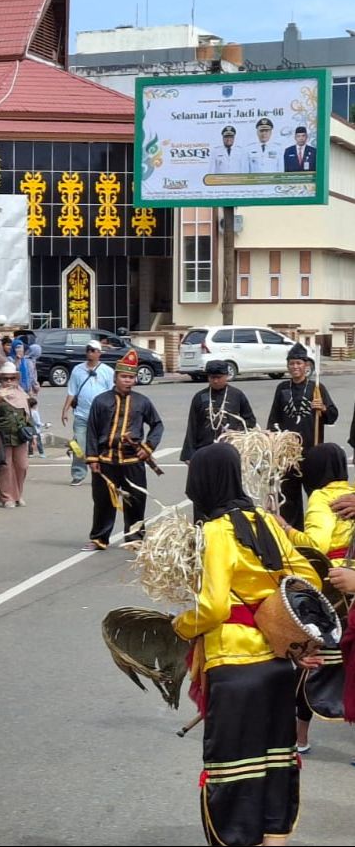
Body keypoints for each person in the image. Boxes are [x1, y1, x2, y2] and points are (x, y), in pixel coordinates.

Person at [172, 442, 320, 847]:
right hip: (276, 663)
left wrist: (181, 626)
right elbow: (310, 578)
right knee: (274, 761)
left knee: (235, 768)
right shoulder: (269, 523)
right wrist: (271, 611)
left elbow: (214, 607)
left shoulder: (215, 531)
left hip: (234, 665)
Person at [282, 442, 354, 747]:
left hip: (331, 587)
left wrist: (286, 529)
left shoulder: (321, 499)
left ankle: (301, 737)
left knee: (311, 660)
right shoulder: (351, 493)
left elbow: (317, 544)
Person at [83, 350, 164, 551]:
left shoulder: (142, 401)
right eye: (124, 377)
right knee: (103, 501)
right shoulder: (101, 401)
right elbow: (92, 430)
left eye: (131, 377)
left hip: (132, 460)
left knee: (135, 500)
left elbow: (157, 425)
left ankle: (135, 538)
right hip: (105, 460)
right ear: (115, 377)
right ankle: (99, 538)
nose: (128, 381)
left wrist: (148, 447)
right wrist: (92, 458)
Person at [268, 344, 337, 528]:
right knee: (288, 497)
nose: (295, 367)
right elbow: (274, 418)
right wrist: (272, 442)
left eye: (298, 363)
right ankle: (293, 534)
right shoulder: (282, 388)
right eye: (291, 363)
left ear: (306, 365)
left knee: (316, 494)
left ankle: (318, 530)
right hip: (288, 453)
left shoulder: (316, 387)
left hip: (312, 450)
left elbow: (332, 415)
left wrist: (322, 408)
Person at [62, 339, 114, 486]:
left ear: (99, 353)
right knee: (79, 443)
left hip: (102, 415)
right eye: (88, 350)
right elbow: (71, 391)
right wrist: (65, 410)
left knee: (103, 444)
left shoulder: (107, 371)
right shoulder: (78, 370)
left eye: (93, 350)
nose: (90, 353)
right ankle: (78, 473)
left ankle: (103, 472)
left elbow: (112, 392)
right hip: (82, 414)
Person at [181, 359, 256, 462]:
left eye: (219, 377)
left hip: (230, 451)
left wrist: (236, 432)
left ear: (226, 376)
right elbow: (192, 426)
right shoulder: (200, 397)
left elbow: (250, 420)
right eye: (212, 377)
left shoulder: (237, 395)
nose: (215, 381)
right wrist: (189, 455)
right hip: (204, 450)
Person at [0, 362, 33, 508]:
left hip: (21, 435)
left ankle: (18, 495)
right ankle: (6, 497)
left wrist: (33, 435)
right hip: (3, 435)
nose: (9, 381)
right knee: (5, 467)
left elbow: (28, 415)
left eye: (12, 378)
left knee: (22, 466)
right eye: (5, 378)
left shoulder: (23, 394)